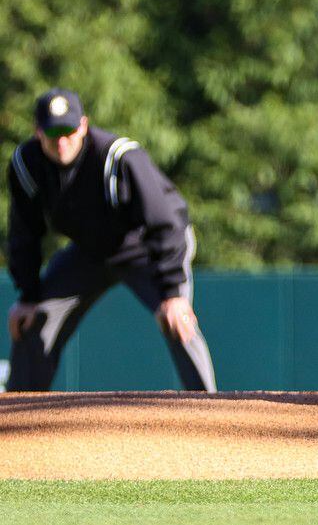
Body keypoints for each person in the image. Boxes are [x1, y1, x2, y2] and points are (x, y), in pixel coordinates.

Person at [5, 88, 216, 392]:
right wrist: (27, 296)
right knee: (32, 319)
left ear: (84, 126)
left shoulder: (118, 156)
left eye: (69, 130)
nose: (61, 140)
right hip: (89, 252)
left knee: (175, 318)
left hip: (147, 247)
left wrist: (172, 292)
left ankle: (212, 411)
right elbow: (23, 233)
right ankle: (17, 416)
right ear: (38, 132)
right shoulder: (26, 165)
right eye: (53, 132)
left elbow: (166, 220)